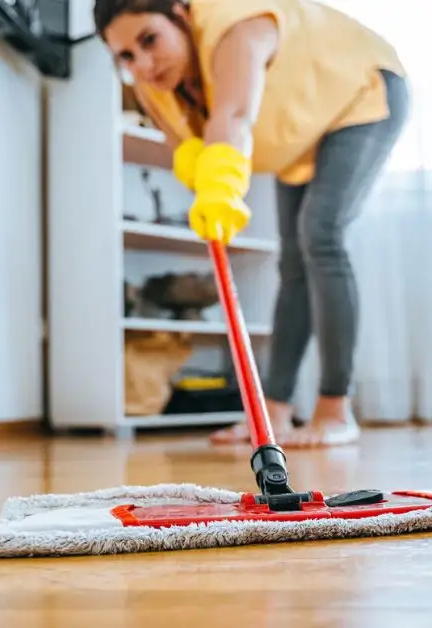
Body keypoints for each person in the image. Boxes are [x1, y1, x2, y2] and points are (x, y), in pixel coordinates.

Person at [94, 0, 409, 448]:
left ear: (182, 13)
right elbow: (187, 148)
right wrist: (203, 182)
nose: (141, 65)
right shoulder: (153, 85)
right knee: (294, 263)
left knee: (321, 236)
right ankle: (272, 415)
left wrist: (222, 192)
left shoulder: (236, 25)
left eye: (149, 40)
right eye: (125, 56)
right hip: (300, 130)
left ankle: (335, 410)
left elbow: (235, 117)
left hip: (359, 93)